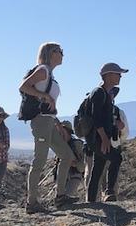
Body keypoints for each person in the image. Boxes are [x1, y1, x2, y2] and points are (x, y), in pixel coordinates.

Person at [19, 42, 76, 213]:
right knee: (40, 161)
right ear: (51, 53)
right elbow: (23, 86)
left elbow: (49, 104)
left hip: (49, 122)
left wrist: (57, 124)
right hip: (41, 122)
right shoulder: (43, 69)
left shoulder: (49, 73)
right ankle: (32, 203)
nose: (62, 55)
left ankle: (60, 197)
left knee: (67, 156)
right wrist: (44, 96)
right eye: (60, 51)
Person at [86, 63, 127, 203]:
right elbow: (96, 117)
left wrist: (115, 124)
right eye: (117, 74)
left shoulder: (105, 94)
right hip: (97, 138)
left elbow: (104, 118)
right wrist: (104, 138)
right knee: (116, 158)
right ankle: (109, 192)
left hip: (99, 138)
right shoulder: (98, 93)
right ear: (108, 75)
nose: (120, 76)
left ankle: (91, 200)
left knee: (98, 168)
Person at [57, 121, 85, 198]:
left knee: (67, 196)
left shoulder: (77, 145)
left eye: (62, 131)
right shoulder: (60, 146)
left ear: (68, 132)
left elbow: (83, 167)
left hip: (75, 175)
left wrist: (73, 163)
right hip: (63, 178)